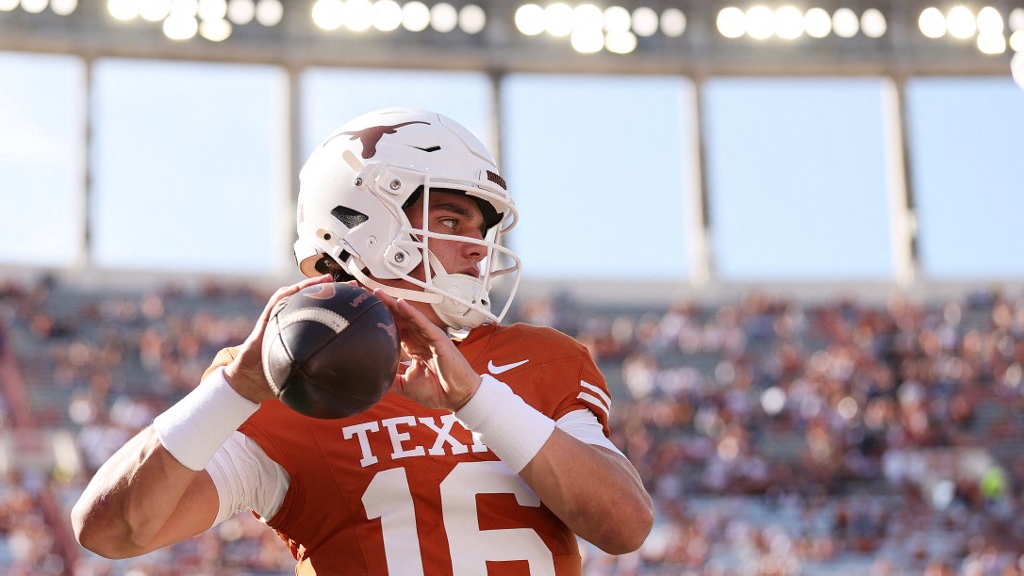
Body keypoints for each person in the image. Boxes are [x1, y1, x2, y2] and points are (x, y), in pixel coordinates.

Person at [71, 107, 654, 575]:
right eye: (450, 222)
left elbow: (624, 526)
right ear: (363, 223)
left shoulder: (542, 358)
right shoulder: (286, 374)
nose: (476, 250)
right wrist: (236, 388)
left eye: (480, 230)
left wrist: (477, 400)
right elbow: (111, 532)